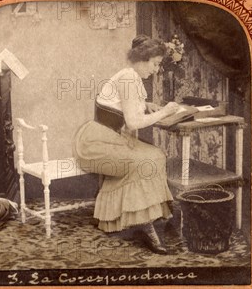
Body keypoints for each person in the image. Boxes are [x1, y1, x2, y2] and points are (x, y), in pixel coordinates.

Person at [72, 35, 180, 254]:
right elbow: (132, 122)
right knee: (144, 160)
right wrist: (163, 112)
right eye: (155, 64)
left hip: (107, 138)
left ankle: (116, 216)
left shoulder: (129, 76)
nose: (156, 70)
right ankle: (146, 225)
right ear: (143, 58)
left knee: (155, 155)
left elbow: (122, 106)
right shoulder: (129, 79)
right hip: (95, 144)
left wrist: (145, 105)